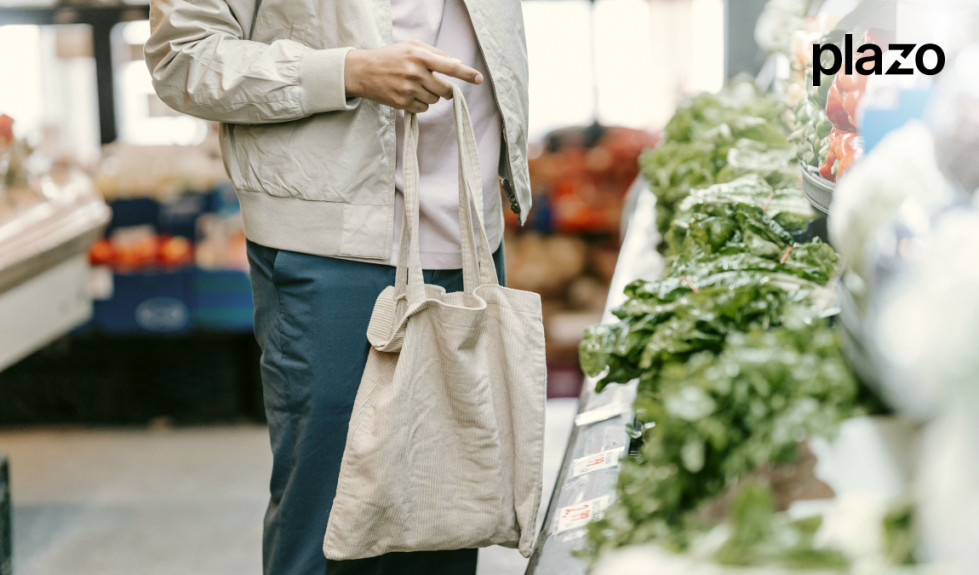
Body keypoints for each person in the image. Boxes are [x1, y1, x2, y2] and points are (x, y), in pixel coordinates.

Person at [144, 1, 531, 574]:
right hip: (333, 246)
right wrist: (346, 71)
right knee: (328, 526)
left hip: (469, 238)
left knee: (448, 519)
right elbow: (183, 57)